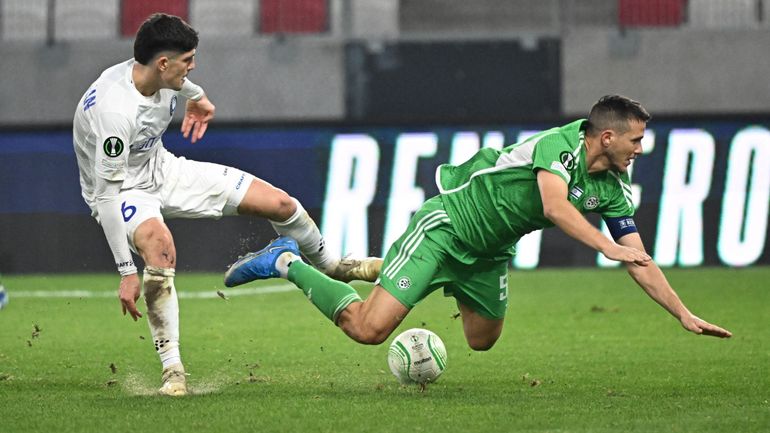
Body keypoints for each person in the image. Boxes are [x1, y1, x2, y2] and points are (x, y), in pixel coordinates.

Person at [225, 95, 732, 354]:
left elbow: (638, 258)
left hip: (488, 254)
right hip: (446, 229)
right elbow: (555, 206)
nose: (640, 148)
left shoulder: (614, 188)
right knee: (368, 330)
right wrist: (607, 246)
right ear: (605, 137)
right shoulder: (559, 146)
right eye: (635, 140)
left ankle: (390, 269)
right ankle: (286, 261)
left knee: (481, 340)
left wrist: (682, 313)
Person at [72, 13, 379, 396]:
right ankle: (173, 370)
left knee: (281, 204)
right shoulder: (115, 114)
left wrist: (197, 97)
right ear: (163, 63)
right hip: (122, 191)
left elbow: (183, 84)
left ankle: (332, 266)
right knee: (160, 247)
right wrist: (125, 271)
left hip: (163, 168)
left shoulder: (157, 75)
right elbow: (106, 196)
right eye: (188, 60)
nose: (193, 66)